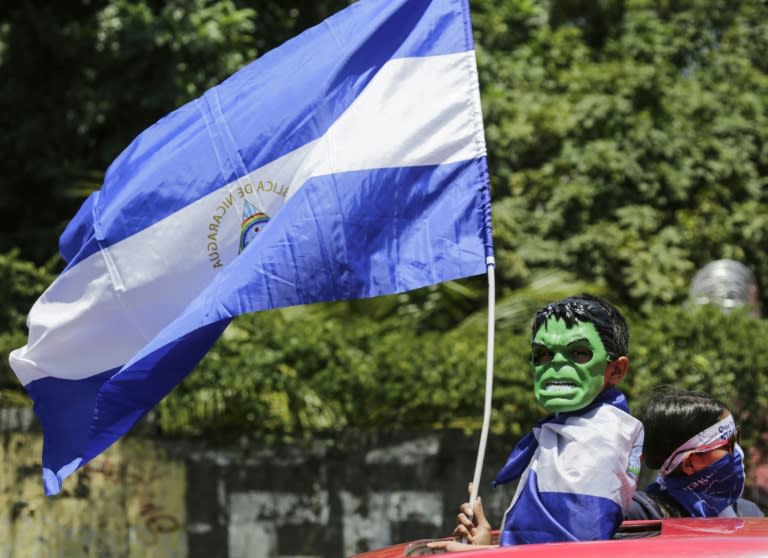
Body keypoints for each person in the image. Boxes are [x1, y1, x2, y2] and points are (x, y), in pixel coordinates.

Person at [429, 294, 644, 551]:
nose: (556, 365)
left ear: (616, 370)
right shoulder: (575, 428)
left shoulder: (596, 441)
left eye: (579, 352)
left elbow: (572, 553)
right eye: (542, 353)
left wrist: (477, 554)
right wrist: (488, 544)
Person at [625, 387, 764, 519]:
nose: (738, 450)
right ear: (690, 463)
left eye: (736, 437)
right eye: (729, 444)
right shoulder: (638, 516)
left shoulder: (748, 513)